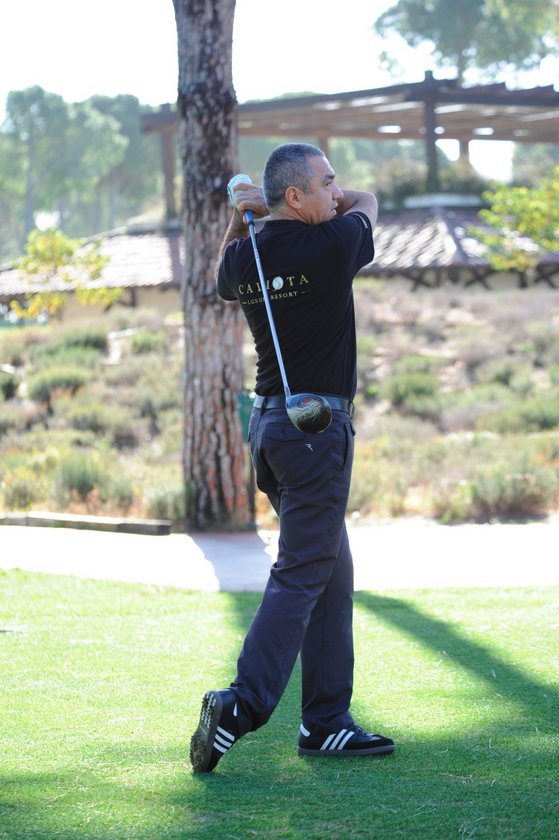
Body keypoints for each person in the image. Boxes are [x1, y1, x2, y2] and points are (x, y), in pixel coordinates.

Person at [190, 142, 395, 773]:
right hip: (314, 432)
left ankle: (326, 722)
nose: (337, 192)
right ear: (297, 196)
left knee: (330, 568)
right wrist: (296, 201)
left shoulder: (245, 252)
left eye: (335, 183)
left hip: (271, 430)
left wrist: (245, 214)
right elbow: (369, 201)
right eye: (325, 183)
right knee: (304, 571)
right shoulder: (332, 243)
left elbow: (224, 275)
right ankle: (241, 705)